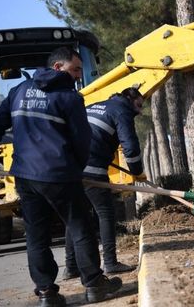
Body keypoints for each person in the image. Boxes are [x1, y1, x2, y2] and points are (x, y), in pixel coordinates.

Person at [0, 46, 122, 306]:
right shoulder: (70, 98)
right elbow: (82, 140)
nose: (77, 75)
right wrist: (75, 168)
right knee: (80, 228)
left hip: (25, 177)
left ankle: (46, 294)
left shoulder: (18, 91)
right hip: (59, 175)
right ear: (57, 67)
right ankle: (95, 285)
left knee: (36, 235)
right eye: (75, 69)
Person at [63, 87, 145, 279]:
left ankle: (71, 268)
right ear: (129, 99)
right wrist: (137, 172)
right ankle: (110, 263)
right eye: (139, 106)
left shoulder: (95, 106)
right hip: (92, 170)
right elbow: (131, 148)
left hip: (70, 169)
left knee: (73, 216)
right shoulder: (122, 110)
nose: (140, 111)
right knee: (105, 213)